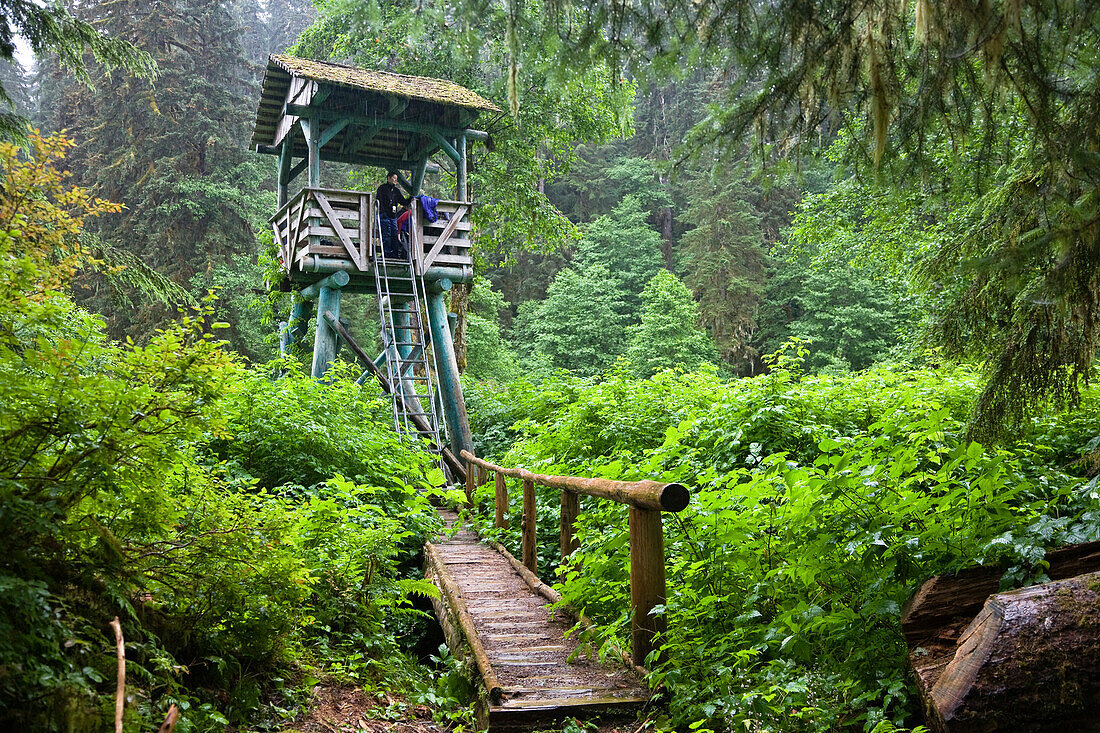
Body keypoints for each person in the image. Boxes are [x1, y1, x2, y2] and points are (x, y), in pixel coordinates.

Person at [376, 171, 409, 259]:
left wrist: (411, 198)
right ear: (389, 178)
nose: (395, 180)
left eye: (396, 179)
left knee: (394, 235)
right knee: (386, 235)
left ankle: (395, 254)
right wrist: (384, 211)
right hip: (384, 215)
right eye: (394, 178)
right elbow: (378, 201)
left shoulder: (396, 191)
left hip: (393, 217)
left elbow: (403, 201)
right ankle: (386, 254)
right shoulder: (382, 188)